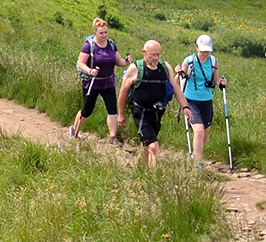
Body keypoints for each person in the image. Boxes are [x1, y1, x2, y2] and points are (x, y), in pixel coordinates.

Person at [117, 40, 189, 168]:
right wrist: (121, 114)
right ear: (144, 52)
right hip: (141, 113)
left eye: (158, 54)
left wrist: (185, 107)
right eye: (153, 55)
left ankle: (139, 169)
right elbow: (123, 92)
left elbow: (176, 88)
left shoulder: (165, 67)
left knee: (147, 145)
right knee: (153, 146)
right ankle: (153, 178)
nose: (156, 58)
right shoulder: (135, 69)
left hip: (157, 113)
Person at [71, 17, 130, 143]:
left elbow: (118, 61)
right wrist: (90, 71)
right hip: (92, 83)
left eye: (106, 32)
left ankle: (113, 137)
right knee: (87, 110)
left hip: (108, 82)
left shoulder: (111, 44)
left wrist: (126, 62)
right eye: (101, 33)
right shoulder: (89, 45)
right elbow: (81, 63)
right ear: (95, 33)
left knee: (112, 109)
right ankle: (74, 131)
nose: (104, 35)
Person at [179, 34, 227, 162]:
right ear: (196, 47)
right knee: (199, 130)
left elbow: (215, 79)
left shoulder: (213, 61)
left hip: (207, 100)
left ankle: (195, 155)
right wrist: (179, 71)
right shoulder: (189, 61)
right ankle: (198, 163)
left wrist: (221, 83)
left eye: (207, 51)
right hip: (191, 100)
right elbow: (182, 76)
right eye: (202, 50)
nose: (205, 53)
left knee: (204, 134)